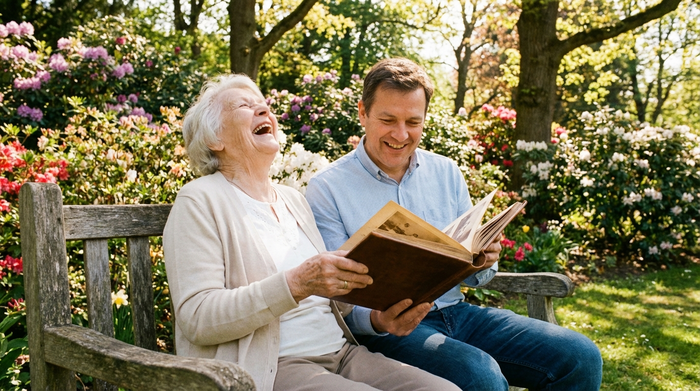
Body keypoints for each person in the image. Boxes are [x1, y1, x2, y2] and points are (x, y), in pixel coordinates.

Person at [305, 58, 603, 390]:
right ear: (363, 112)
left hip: (457, 312)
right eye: (387, 119)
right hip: (388, 331)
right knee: (481, 376)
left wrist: (484, 258)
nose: (400, 134)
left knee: (581, 356)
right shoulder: (326, 189)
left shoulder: (446, 172)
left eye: (413, 122)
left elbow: (476, 274)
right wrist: (377, 320)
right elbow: (333, 295)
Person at [163, 73, 460, 391]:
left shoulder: (291, 199)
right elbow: (197, 318)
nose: (263, 110)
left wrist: (376, 312)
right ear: (214, 139)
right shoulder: (200, 199)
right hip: (272, 366)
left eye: (263, 104)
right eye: (244, 106)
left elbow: (330, 296)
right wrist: (295, 283)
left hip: (342, 354)